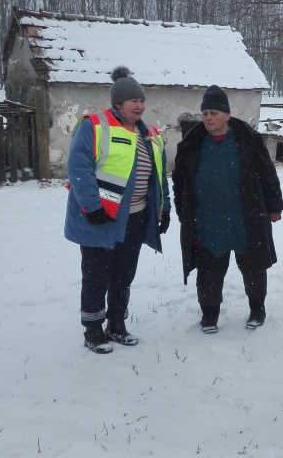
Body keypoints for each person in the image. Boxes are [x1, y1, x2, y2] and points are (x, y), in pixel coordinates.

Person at [65, 66, 171, 355]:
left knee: (124, 275)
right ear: (118, 104)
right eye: (133, 101)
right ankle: (93, 329)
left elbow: (160, 178)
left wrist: (164, 210)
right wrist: (92, 207)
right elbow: (78, 167)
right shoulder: (95, 125)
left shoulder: (150, 133)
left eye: (142, 101)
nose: (140, 106)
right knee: (96, 275)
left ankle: (116, 324)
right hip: (101, 218)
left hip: (136, 217)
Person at [172, 85, 283, 334]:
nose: (208, 118)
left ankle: (257, 309)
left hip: (246, 217)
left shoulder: (248, 140)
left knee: (253, 267)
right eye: (205, 114)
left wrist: (275, 205)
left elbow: (268, 173)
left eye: (213, 112)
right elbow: (179, 180)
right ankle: (209, 315)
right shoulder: (192, 143)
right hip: (207, 219)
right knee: (209, 271)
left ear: (227, 114)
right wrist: (183, 211)